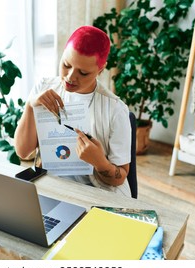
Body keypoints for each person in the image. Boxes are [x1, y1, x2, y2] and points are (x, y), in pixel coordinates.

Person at [15, 25, 131, 197]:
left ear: (100, 70)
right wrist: (30, 106)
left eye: (83, 73)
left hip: (96, 194)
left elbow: (119, 177)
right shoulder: (44, 88)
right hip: (50, 188)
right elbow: (23, 152)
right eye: (66, 65)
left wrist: (100, 163)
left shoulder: (115, 109)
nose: (70, 77)